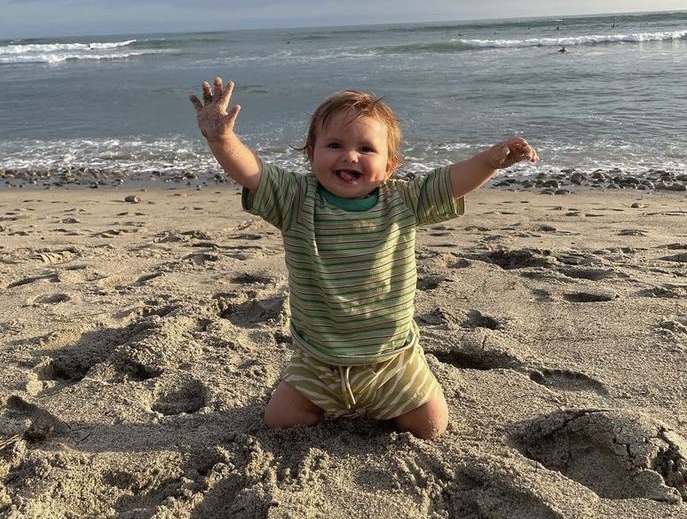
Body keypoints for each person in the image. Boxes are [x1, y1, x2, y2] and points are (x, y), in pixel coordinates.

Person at [190, 77, 538, 440]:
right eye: (334, 145)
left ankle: (390, 402)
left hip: (392, 359)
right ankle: (324, 402)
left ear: (390, 166)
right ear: (311, 155)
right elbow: (252, 172)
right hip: (318, 360)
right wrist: (221, 139)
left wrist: (490, 161)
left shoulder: (403, 201)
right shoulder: (295, 199)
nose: (349, 156)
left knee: (430, 426)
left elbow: (450, 181)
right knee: (280, 421)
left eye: (366, 149)